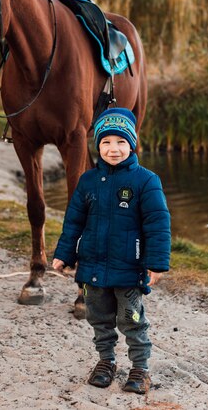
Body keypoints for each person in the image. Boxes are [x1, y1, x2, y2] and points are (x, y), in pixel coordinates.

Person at [52, 107, 171, 394]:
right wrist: (64, 253)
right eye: (106, 142)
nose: (113, 149)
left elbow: (158, 224)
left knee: (131, 320)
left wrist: (155, 263)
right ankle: (106, 362)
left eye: (120, 142)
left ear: (132, 143)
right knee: (100, 320)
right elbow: (74, 221)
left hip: (129, 269)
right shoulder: (88, 181)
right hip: (92, 269)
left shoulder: (146, 181)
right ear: (98, 145)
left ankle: (140, 368)